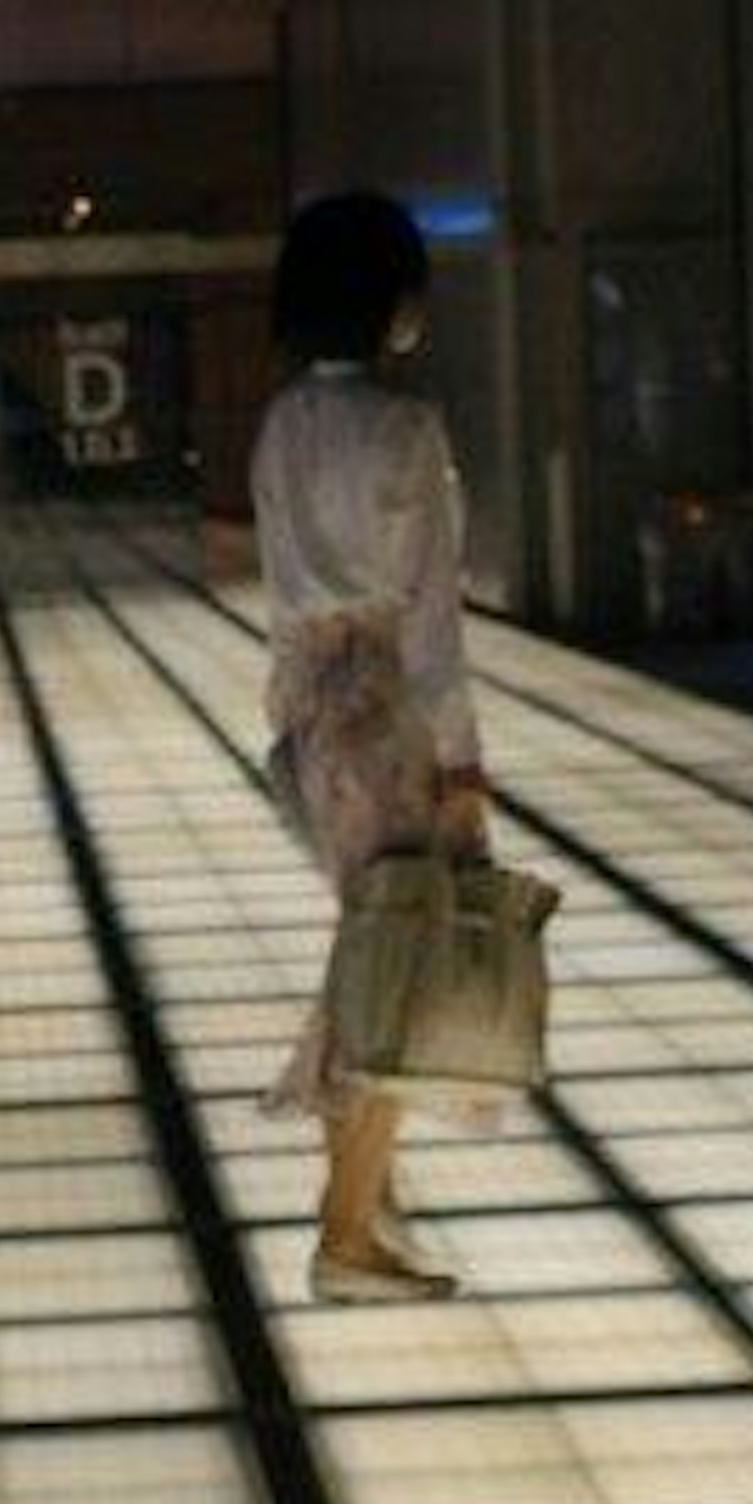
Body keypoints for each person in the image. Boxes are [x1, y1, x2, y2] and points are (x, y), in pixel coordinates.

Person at [251, 185, 489, 1303]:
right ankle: (347, 1234)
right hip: (387, 709)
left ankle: (360, 1192)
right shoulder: (407, 428)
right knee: (399, 966)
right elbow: (431, 617)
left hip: (308, 712)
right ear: (387, 301)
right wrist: (463, 768)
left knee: (372, 943)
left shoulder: (285, 421)